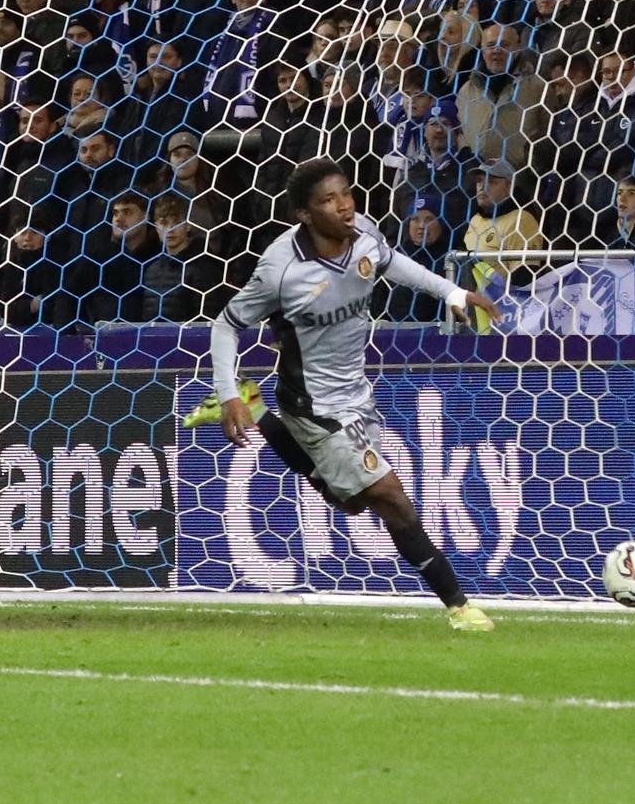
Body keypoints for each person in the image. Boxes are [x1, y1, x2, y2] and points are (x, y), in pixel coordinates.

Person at [207, 158, 501, 631]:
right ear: (305, 214)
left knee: (352, 502)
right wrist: (226, 395)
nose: (344, 206)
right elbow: (227, 324)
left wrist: (450, 292)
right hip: (312, 404)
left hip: (357, 395)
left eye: (346, 193)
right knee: (391, 497)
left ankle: (259, 409)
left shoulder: (363, 232)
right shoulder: (282, 269)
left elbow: (393, 262)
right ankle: (459, 606)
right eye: (328, 200)